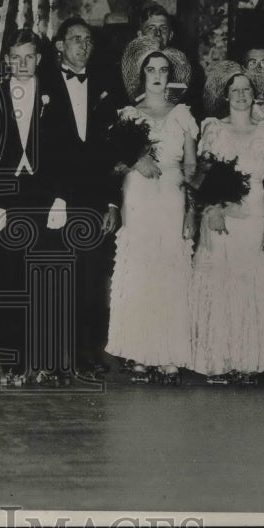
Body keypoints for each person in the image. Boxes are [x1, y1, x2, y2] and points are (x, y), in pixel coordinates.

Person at [0, 29, 65, 384]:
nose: (23, 64)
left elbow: (64, 152)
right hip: (7, 198)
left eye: (30, 57)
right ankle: (13, 363)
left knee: (44, 281)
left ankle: (44, 362)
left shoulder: (55, 97)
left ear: (38, 60)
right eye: (16, 57)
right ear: (7, 59)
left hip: (44, 198)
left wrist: (60, 198)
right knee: (9, 284)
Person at [105, 37, 197, 382]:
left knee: (169, 270)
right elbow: (112, 166)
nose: (157, 75)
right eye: (151, 70)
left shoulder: (183, 116)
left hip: (171, 199)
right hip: (139, 198)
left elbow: (191, 167)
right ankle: (139, 354)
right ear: (142, 76)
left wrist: (191, 210)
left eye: (163, 70)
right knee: (141, 272)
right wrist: (134, 159)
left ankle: (170, 355)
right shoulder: (128, 115)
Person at [191, 61, 264, 383]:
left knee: (252, 286)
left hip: (255, 217)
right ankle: (220, 360)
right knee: (222, 283)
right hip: (222, 216)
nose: (241, 95)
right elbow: (201, 175)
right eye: (235, 90)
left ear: (254, 95)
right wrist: (212, 208)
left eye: (246, 90)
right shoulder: (214, 128)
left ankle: (250, 361)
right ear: (226, 95)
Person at [42, 17, 120, 377]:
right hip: (55, 200)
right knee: (58, 278)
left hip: (93, 198)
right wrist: (54, 197)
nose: (82, 45)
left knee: (92, 280)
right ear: (59, 45)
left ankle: (88, 352)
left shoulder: (107, 86)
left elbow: (114, 152)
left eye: (87, 40)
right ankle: (57, 356)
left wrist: (112, 203)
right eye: (75, 39)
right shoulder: (41, 85)